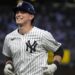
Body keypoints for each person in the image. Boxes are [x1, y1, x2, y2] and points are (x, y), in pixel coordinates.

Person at [2, 1, 63, 75]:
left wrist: (54, 65)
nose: (18, 14)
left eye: (23, 12)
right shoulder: (9, 37)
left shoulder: (42, 34)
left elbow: (59, 50)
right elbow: (8, 57)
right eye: (17, 12)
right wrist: (8, 64)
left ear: (31, 16)